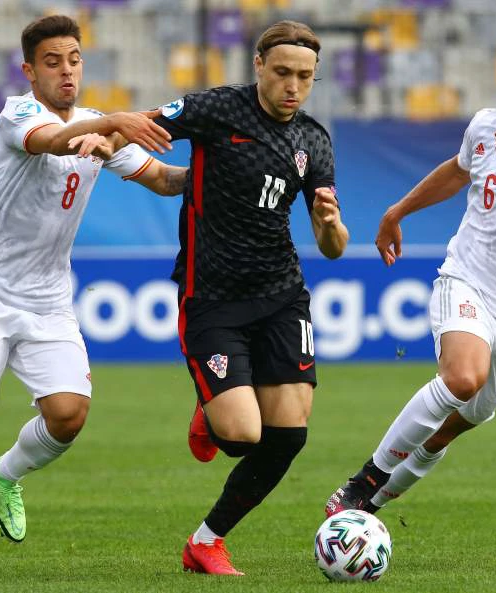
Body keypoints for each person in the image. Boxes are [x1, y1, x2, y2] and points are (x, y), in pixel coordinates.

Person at [0, 14, 185, 578]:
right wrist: (114, 123)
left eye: (73, 60)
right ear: (29, 70)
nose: (66, 71)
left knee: (68, 417)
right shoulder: (17, 115)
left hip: (48, 301)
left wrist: (228, 171)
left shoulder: (97, 128)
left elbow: (166, 181)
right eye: (52, 62)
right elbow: (46, 140)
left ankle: (5, 475)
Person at [326, 18, 496, 517]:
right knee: (463, 378)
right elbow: (458, 170)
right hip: (469, 277)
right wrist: (397, 211)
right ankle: (366, 480)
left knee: (451, 426)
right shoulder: (485, 126)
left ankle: (368, 510)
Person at [150, 21, 348, 576]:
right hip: (212, 297)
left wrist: (331, 223)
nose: (293, 86)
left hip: (282, 295)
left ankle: (206, 541)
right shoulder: (218, 110)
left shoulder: (313, 139)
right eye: (282, 72)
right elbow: (148, 124)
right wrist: (104, 138)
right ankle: (212, 404)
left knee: (288, 436)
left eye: (305, 76)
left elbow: (333, 247)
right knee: (240, 436)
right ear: (258, 64)